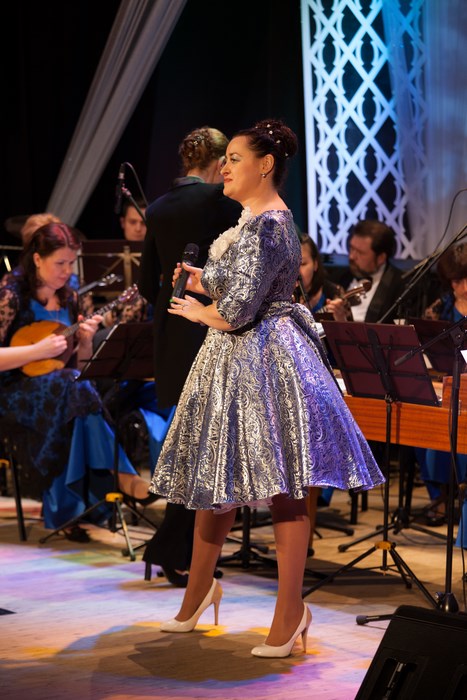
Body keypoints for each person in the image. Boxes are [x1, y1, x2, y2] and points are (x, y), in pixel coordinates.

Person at [148, 118, 384, 657]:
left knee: (285, 487)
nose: (224, 167)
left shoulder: (272, 224)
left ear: (266, 165)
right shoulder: (251, 220)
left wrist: (198, 310)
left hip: (265, 357)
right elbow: (242, 284)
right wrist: (203, 279)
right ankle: (198, 593)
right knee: (215, 479)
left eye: (234, 158)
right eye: (225, 159)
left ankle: (290, 612)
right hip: (231, 356)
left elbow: (239, 310)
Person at [0, 223, 156, 542]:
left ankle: (71, 510)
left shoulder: (71, 297)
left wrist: (85, 342)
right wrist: (35, 351)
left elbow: (79, 366)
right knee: (74, 390)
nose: (67, 271)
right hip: (15, 392)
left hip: (62, 391)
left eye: (71, 263)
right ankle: (121, 479)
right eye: (60, 263)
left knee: (77, 391)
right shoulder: (10, 294)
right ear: (37, 259)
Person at [138, 126, 242, 586]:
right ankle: (175, 548)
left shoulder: (158, 208)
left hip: (172, 334)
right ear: (220, 163)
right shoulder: (223, 203)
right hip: (212, 330)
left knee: (191, 445)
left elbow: (147, 284)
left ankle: (177, 549)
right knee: (207, 449)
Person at [414, 242, 467, 541]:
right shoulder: (440, 308)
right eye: (456, 280)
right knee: (420, 421)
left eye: (466, 279)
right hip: (445, 385)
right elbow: (427, 353)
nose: (462, 287)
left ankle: (462, 497)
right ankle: (440, 497)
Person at [326, 219, 405, 323]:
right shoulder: (338, 278)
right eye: (351, 248)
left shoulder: (401, 286)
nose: (352, 256)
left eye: (360, 253)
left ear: (381, 258)